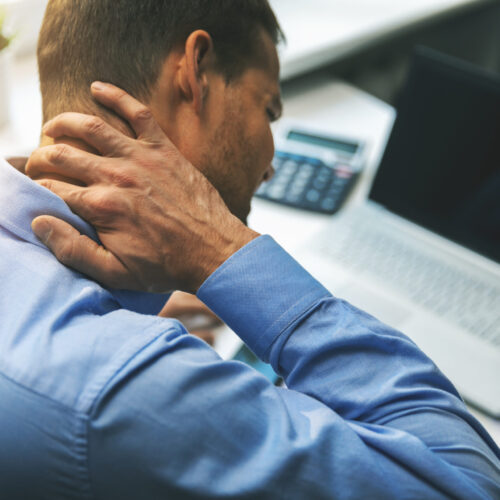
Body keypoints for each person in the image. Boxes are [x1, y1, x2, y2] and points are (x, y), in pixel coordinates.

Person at [0, 1, 499, 499]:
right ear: (196, 73)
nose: (270, 168)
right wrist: (220, 249)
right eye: (268, 109)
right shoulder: (125, 387)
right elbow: (469, 483)